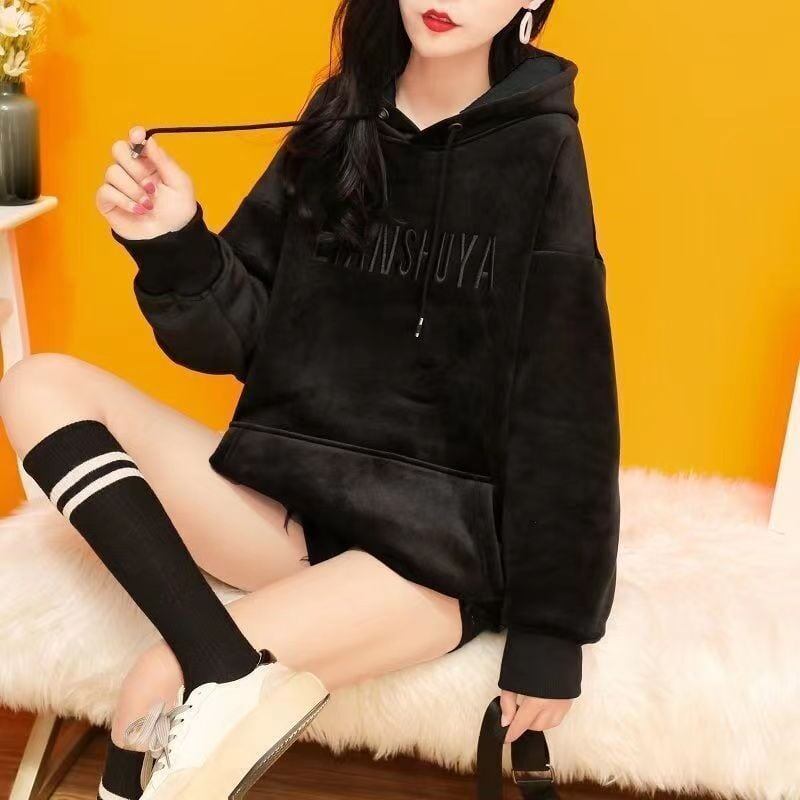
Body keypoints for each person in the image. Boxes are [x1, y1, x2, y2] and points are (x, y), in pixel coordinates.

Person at [0, 0, 621, 798]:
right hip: (292, 511)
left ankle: (201, 679)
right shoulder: (342, 114)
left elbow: (566, 405)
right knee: (38, 383)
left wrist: (550, 635)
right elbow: (245, 342)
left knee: (155, 679)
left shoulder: (541, 147)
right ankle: (221, 670)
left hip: (431, 562)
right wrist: (174, 243)